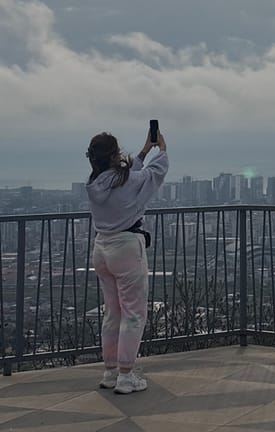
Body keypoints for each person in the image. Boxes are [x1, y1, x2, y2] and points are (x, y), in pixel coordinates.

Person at [86, 127, 169, 394]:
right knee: (133, 314)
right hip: (125, 248)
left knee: (112, 313)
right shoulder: (125, 182)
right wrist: (162, 150)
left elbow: (126, 177)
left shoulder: (95, 184)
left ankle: (110, 371)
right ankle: (126, 375)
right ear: (114, 155)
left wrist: (144, 150)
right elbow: (153, 175)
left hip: (102, 248)